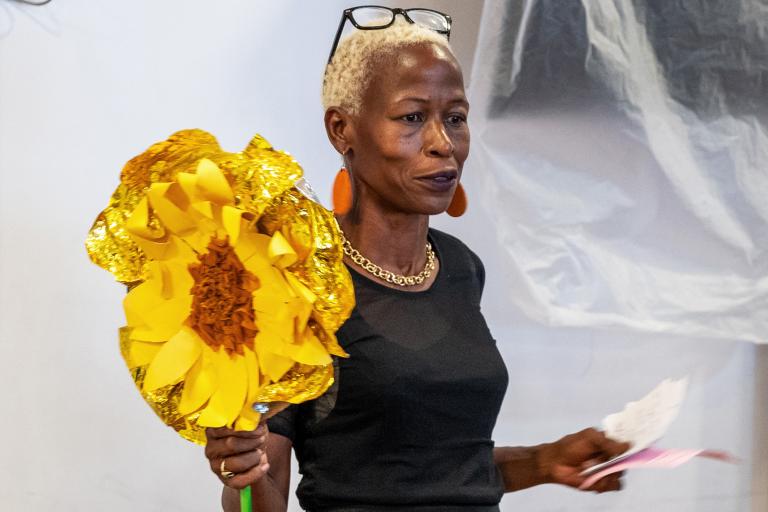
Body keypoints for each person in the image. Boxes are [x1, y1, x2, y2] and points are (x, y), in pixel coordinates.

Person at [204, 7, 629, 511]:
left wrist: (543, 461)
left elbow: (436, 467)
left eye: (455, 118)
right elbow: (261, 493)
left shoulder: (460, 267)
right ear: (342, 129)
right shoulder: (296, 276)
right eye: (412, 118)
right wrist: (243, 473)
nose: (442, 143)